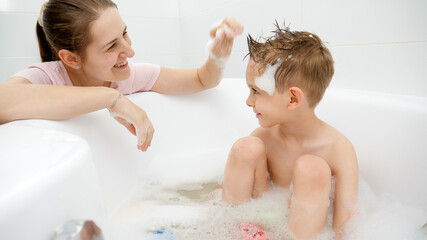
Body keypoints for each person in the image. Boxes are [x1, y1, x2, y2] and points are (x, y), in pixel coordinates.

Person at [0, 0, 243, 152]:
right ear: (71, 59)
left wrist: (217, 55)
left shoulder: (125, 75)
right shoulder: (47, 77)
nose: (130, 50)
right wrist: (110, 98)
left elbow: (202, 80)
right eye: (111, 46)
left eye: (124, 34)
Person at [221, 23, 358, 239]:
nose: (248, 101)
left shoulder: (338, 150)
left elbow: (346, 228)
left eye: (256, 91)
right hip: (260, 222)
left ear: (293, 99)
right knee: (245, 148)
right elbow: (229, 186)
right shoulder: (262, 138)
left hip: (305, 230)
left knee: (312, 168)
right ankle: (230, 231)